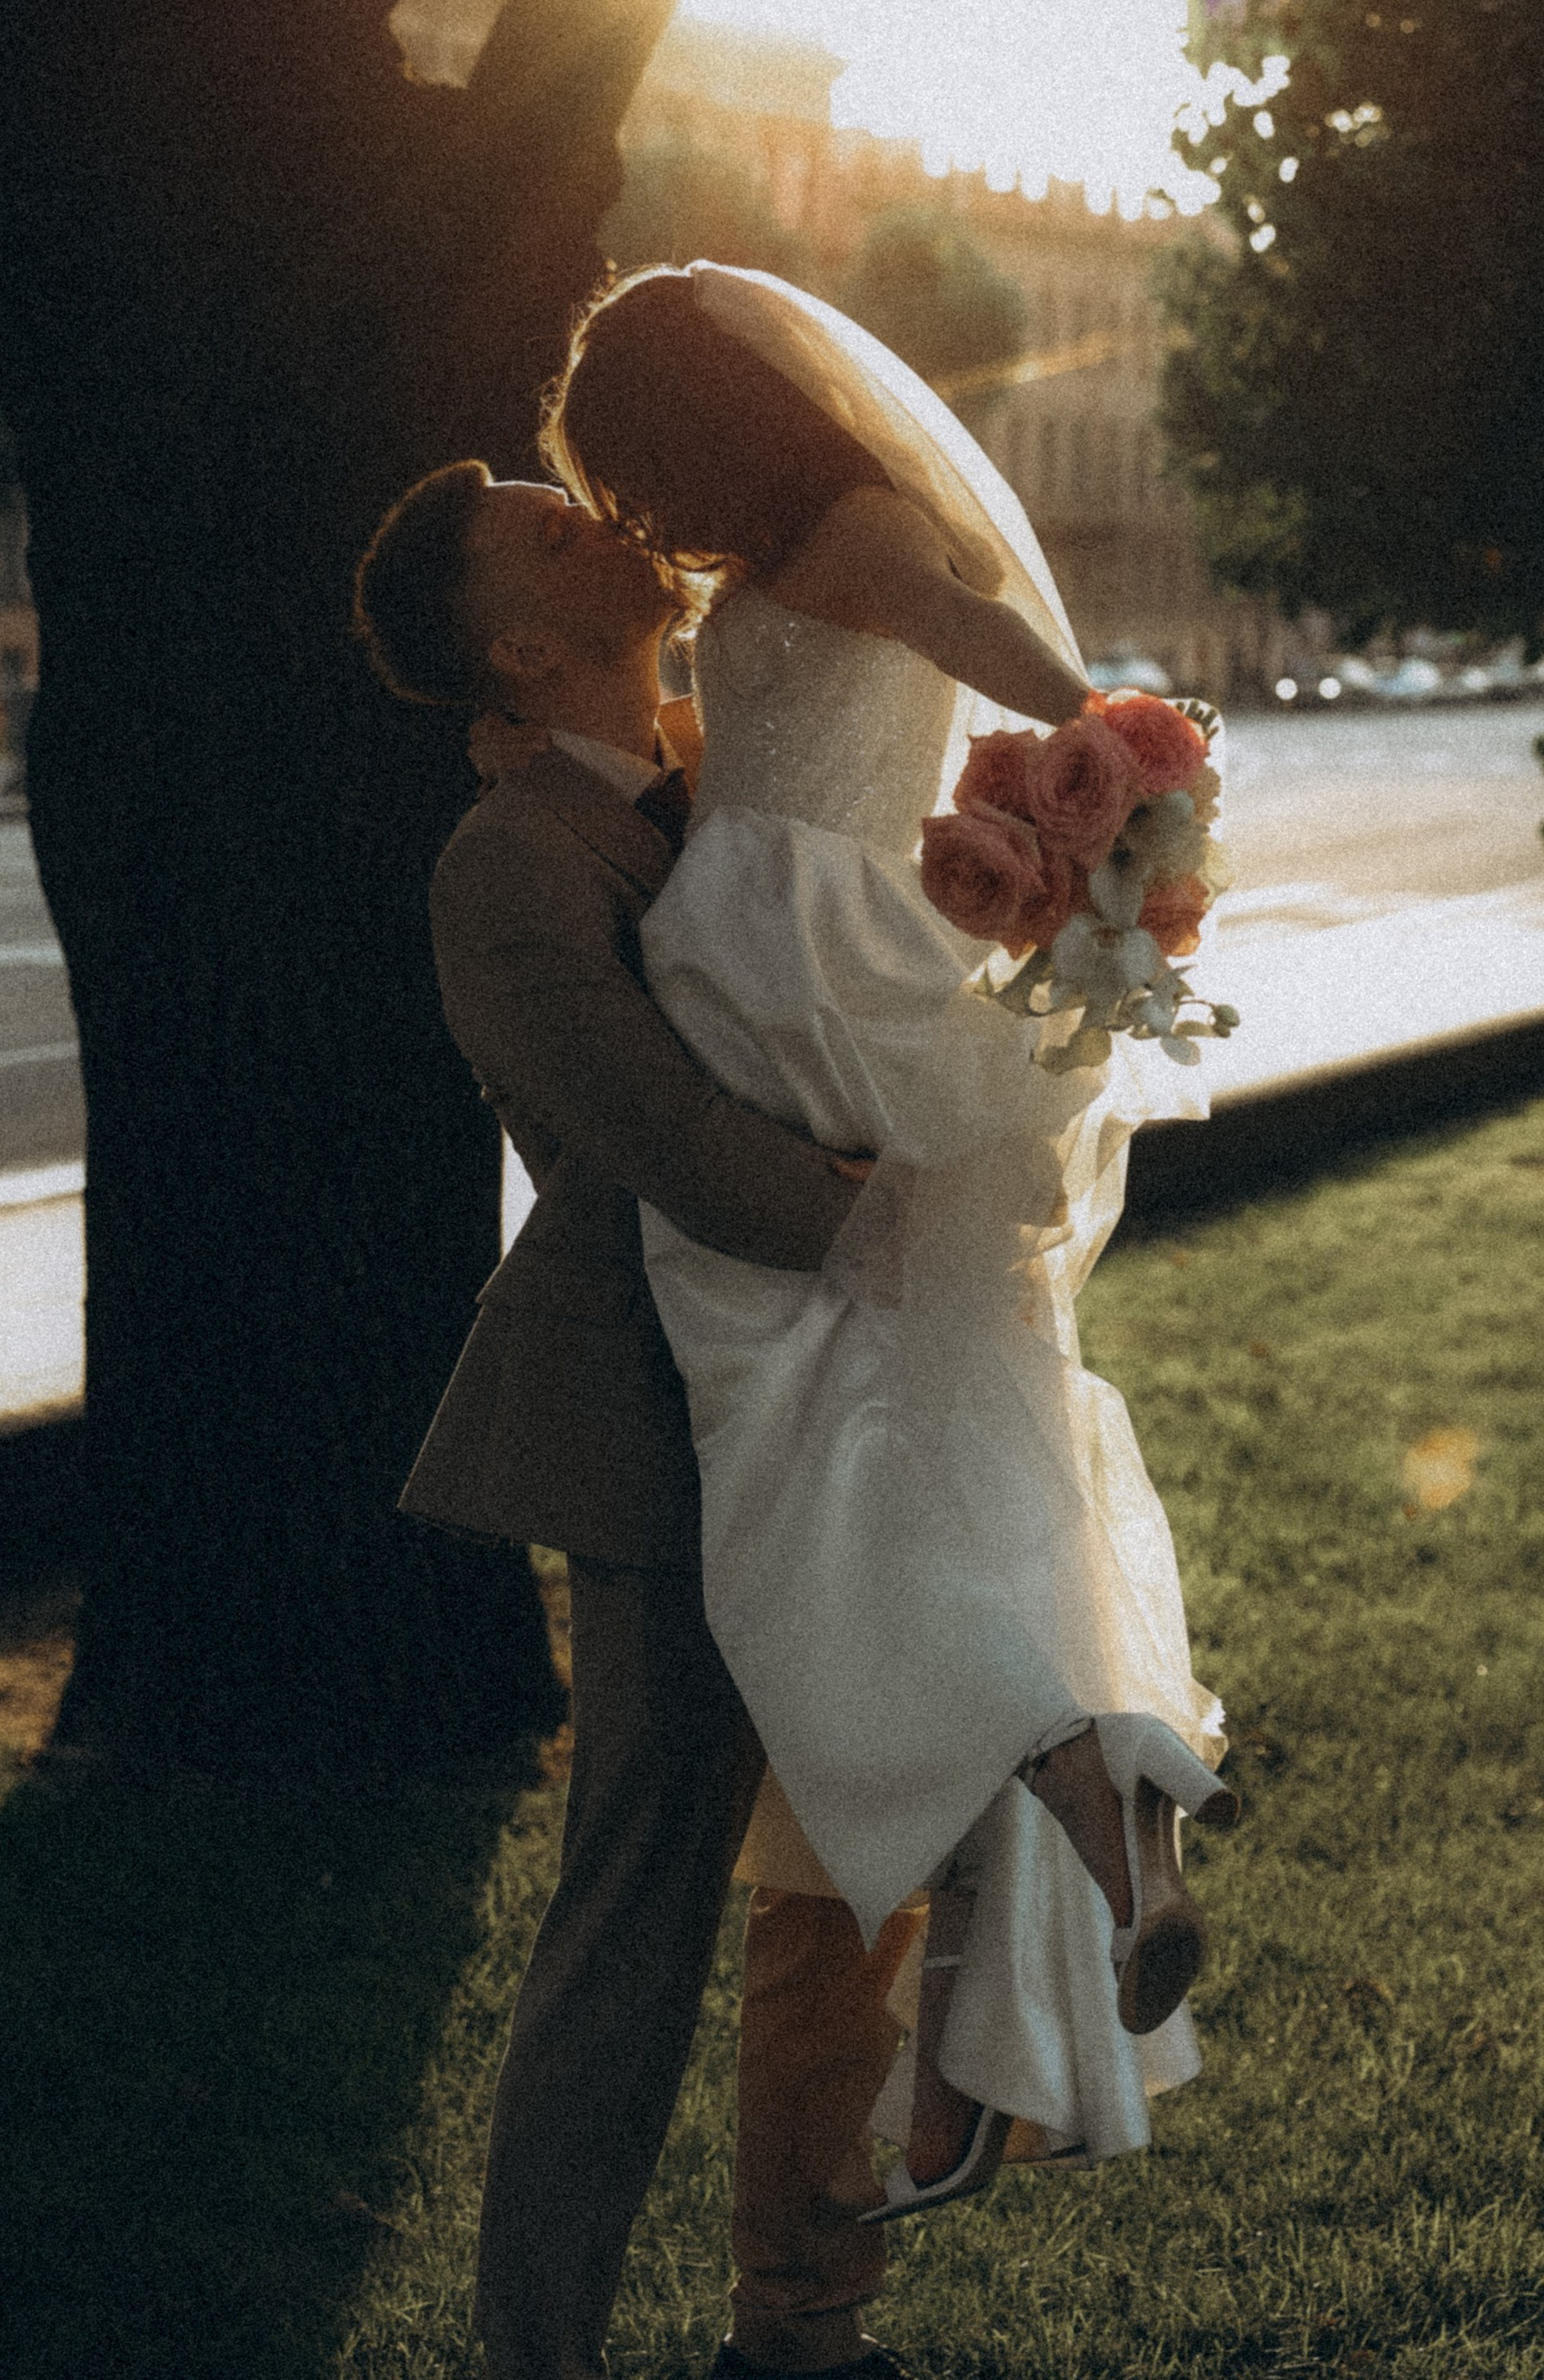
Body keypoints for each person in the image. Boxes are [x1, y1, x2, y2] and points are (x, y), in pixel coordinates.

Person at [540, 262, 1236, 2225]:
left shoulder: (844, 535)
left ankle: (1034, 1807)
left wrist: (1111, 784)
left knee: (789, 1455)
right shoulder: (819, 532)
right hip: (828, 953)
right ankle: (1087, 1807)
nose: (640, 514)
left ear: (699, 432)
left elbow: (1020, 656)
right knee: (916, 1403)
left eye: (639, 467)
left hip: (783, 972)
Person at [352, 462, 925, 2380]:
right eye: (542, 525)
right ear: (519, 645)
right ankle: (536, 2355)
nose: (591, 511)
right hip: (656, 1430)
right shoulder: (505, 869)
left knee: (870, 1849)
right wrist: (899, 1221)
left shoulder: (722, 768)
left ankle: (803, 2323)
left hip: (827, 1385)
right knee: (636, 1916)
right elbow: (659, 1141)